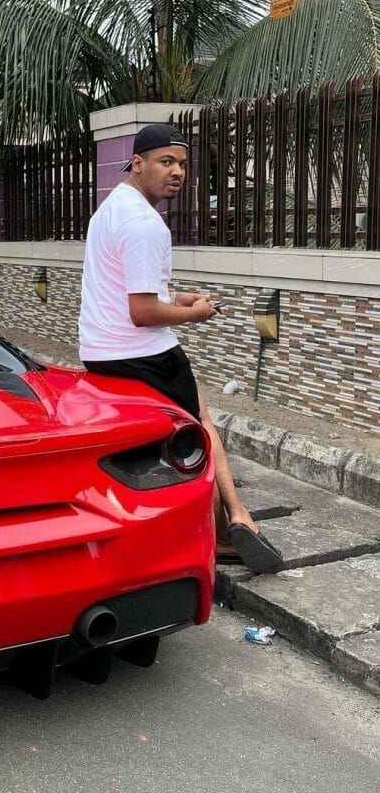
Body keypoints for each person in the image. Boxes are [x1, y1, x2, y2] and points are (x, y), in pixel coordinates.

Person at [78, 123, 283, 574]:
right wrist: (197, 313)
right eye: (165, 162)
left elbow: (133, 293)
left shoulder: (111, 210)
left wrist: (177, 299)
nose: (177, 172)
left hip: (99, 351)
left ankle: (219, 522)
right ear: (138, 163)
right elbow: (142, 313)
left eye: (182, 164)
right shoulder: (144, 224)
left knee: (166, 435)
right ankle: (234, 522)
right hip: (142, 351)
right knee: (201, 425)